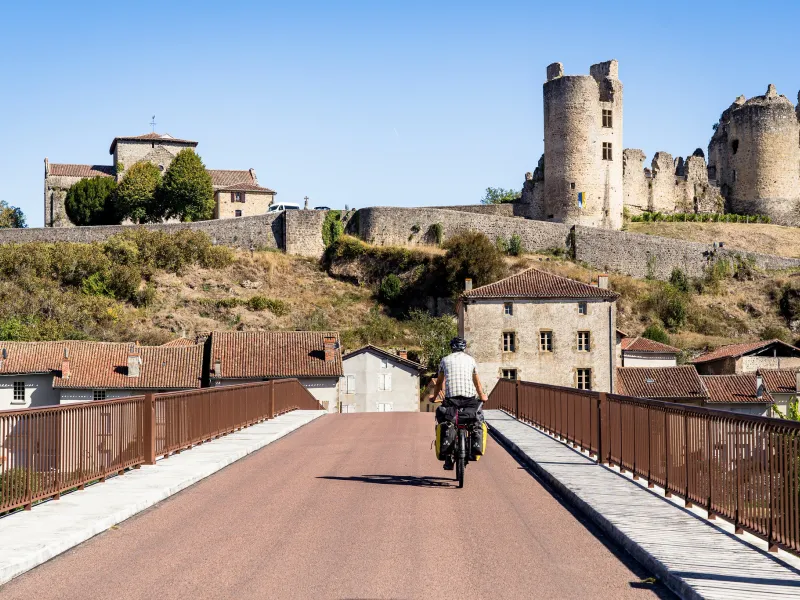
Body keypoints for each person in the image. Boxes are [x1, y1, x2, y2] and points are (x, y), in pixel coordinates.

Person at [430, 337, 487, 470]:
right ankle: (473, 446)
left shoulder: (445, 360)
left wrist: (434, 397)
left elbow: (439, 382)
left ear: (452, 347)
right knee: (475, 419)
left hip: (451, 400)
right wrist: (482, 396)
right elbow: (477, 383)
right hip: (469, 400)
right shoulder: (471, 360)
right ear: (464, 348)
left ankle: (447, 457)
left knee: (444, 418)